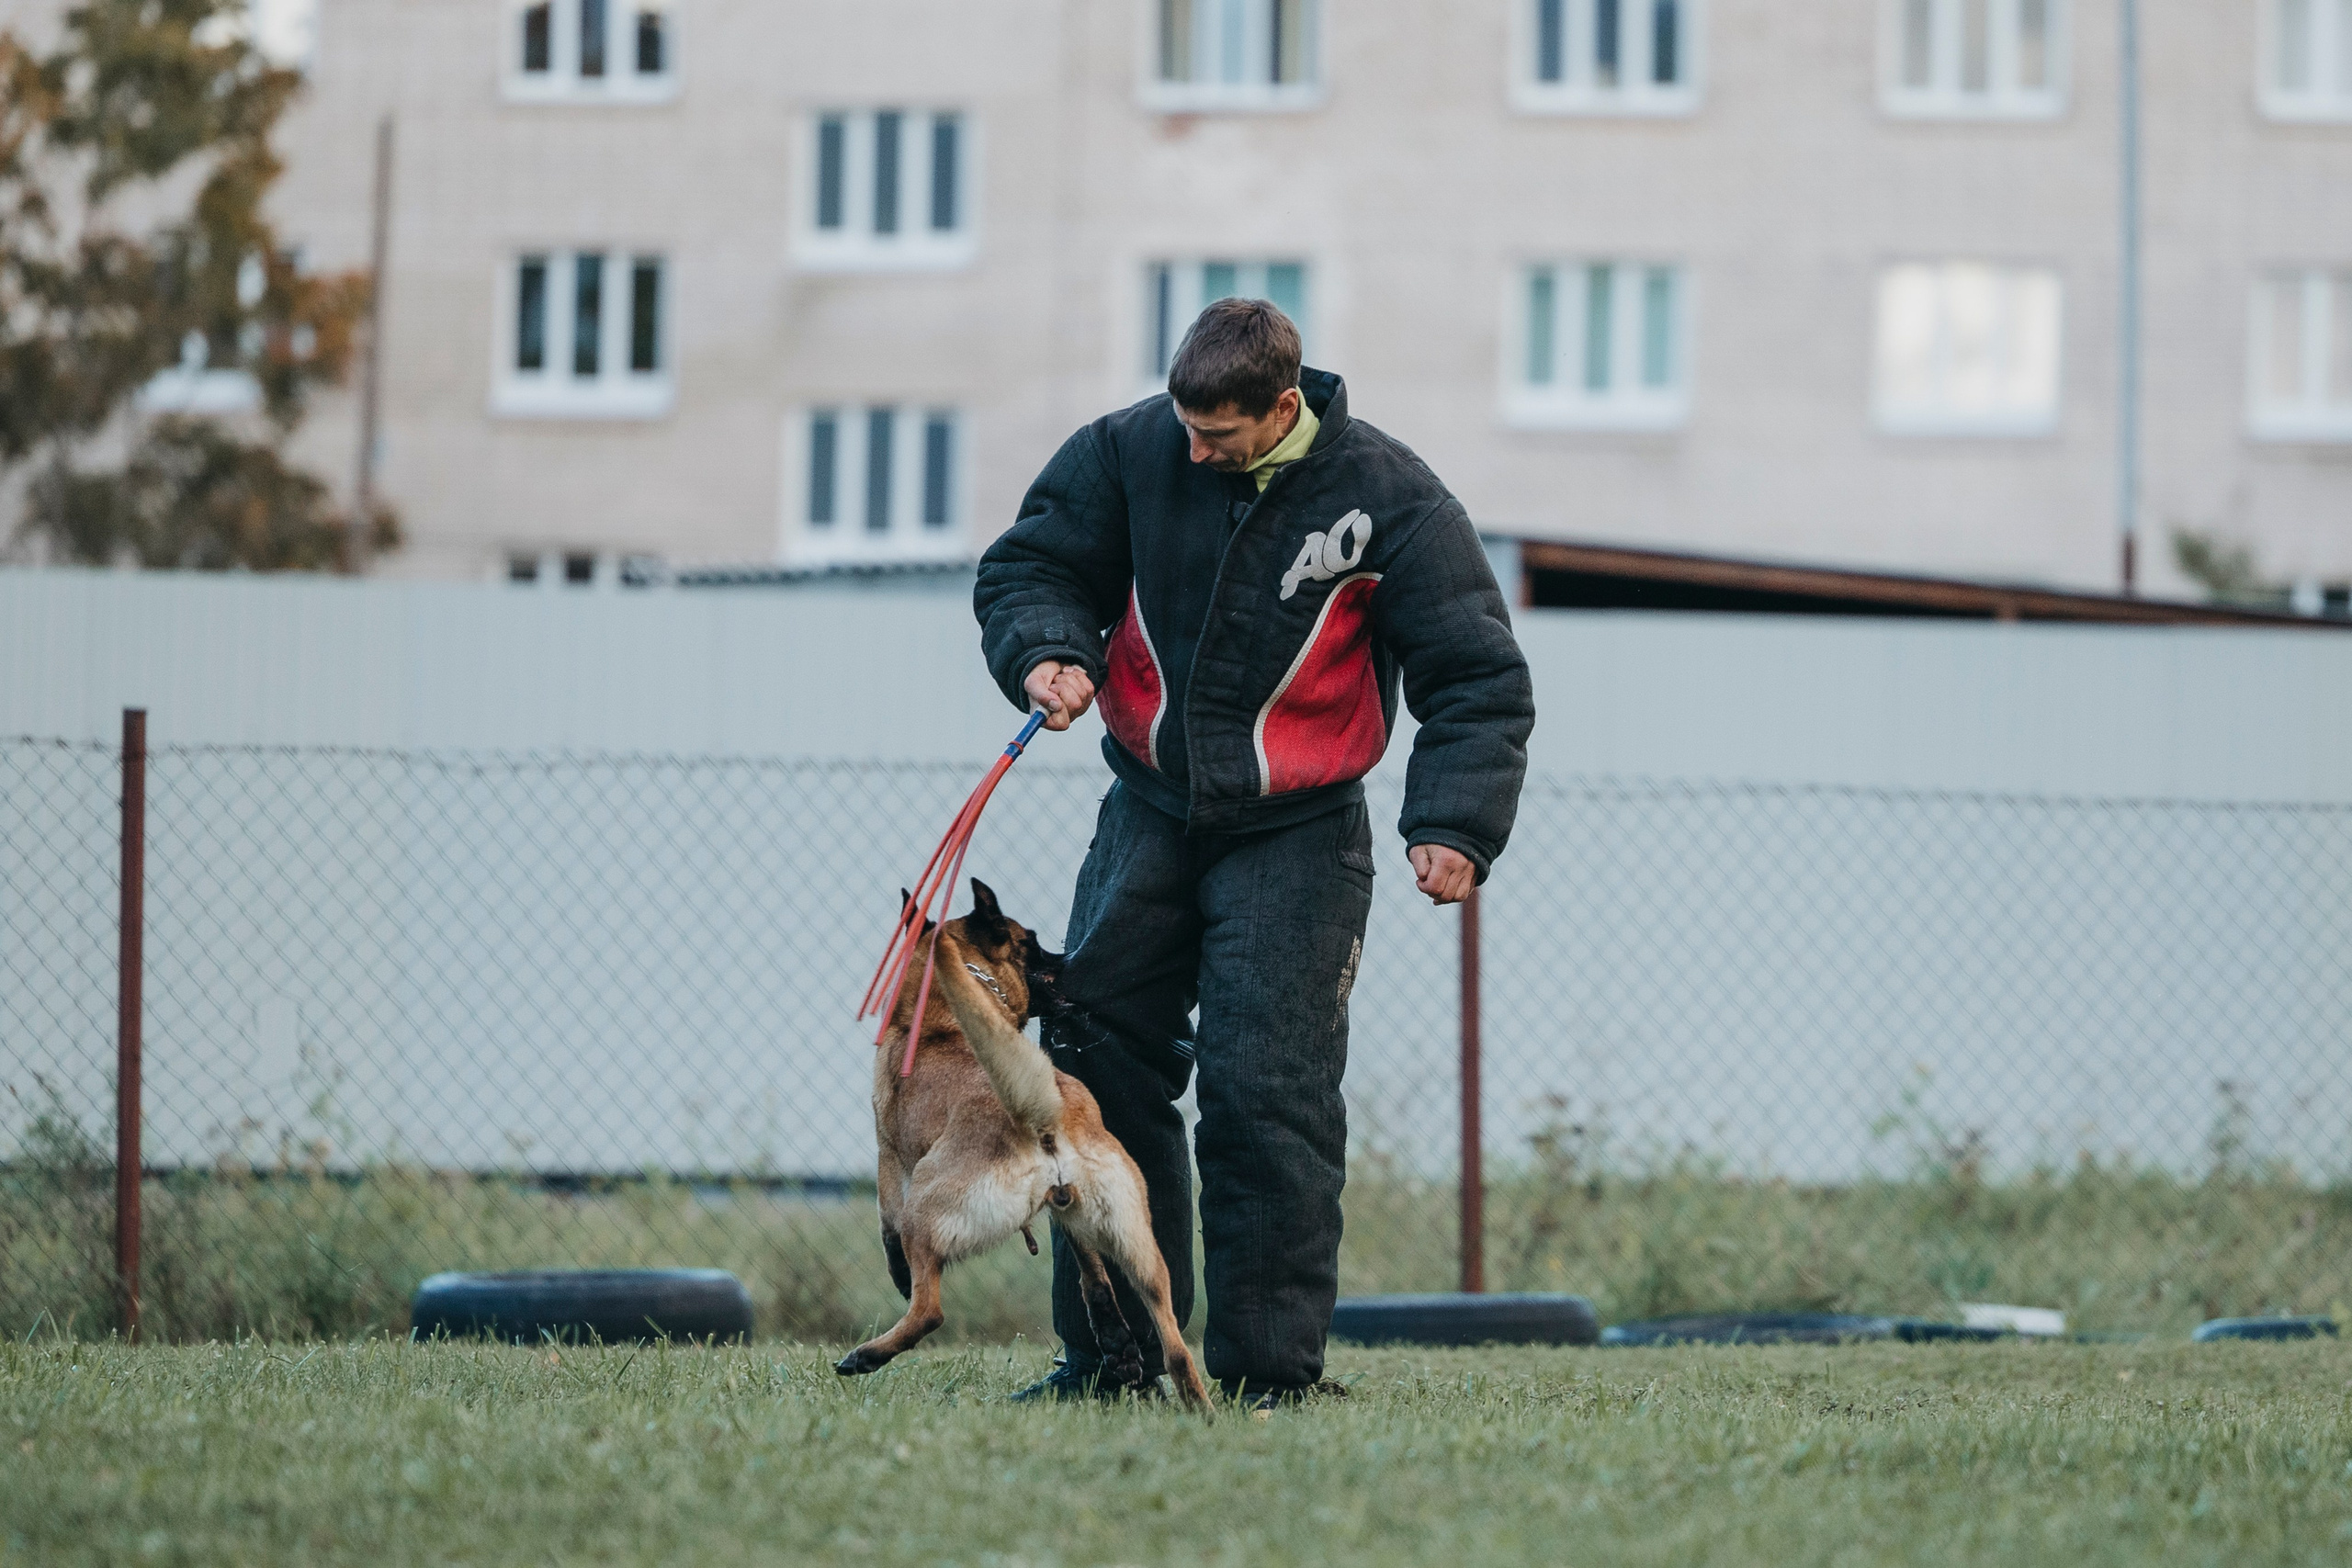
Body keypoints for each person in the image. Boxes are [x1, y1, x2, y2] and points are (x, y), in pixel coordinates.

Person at [973, 298, 1533, 1407]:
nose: (1194, 452)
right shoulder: (1129, 450)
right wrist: (1045, 652)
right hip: (1149, 812)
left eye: (1217, 436)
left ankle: (1270, 1373)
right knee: (1088, 1078)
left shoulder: (1393, 499)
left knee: (1265, 1093)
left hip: (1300, 835)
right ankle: (1115, 1362)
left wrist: (1453, 823)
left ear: (1282, 407)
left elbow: (1474, 675)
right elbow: (1031, 569)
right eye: (1184, 426)